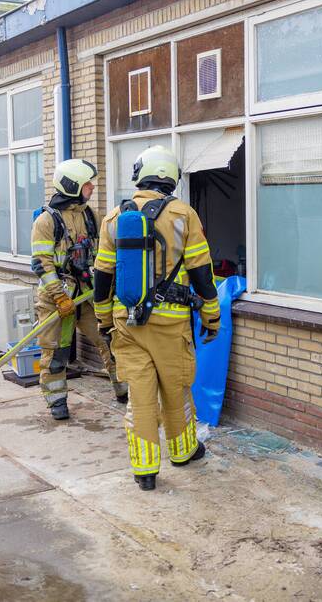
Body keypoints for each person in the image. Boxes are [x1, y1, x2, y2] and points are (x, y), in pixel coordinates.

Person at [93, 145, 221, 491]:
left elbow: (102, 276)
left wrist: (104, 318)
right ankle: (182, 452)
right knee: (176, 389)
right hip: (170, 323)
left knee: (140, 396)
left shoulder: (113, 218)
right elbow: (201, 273)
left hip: (126, 322)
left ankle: (145, 470)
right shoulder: (183, 215)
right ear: (171, 178)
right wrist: (211, 315)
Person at [31, 159, 127, 421]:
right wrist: (59, 296)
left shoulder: (90, 216)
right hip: (57, 300)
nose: (92, 188)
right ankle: (57, 401)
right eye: (87, 184)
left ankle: (124, 390)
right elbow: (41, 263)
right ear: (72, 186)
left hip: (88, 294)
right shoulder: (46, 221)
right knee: (57, 352)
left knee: (109, 339)